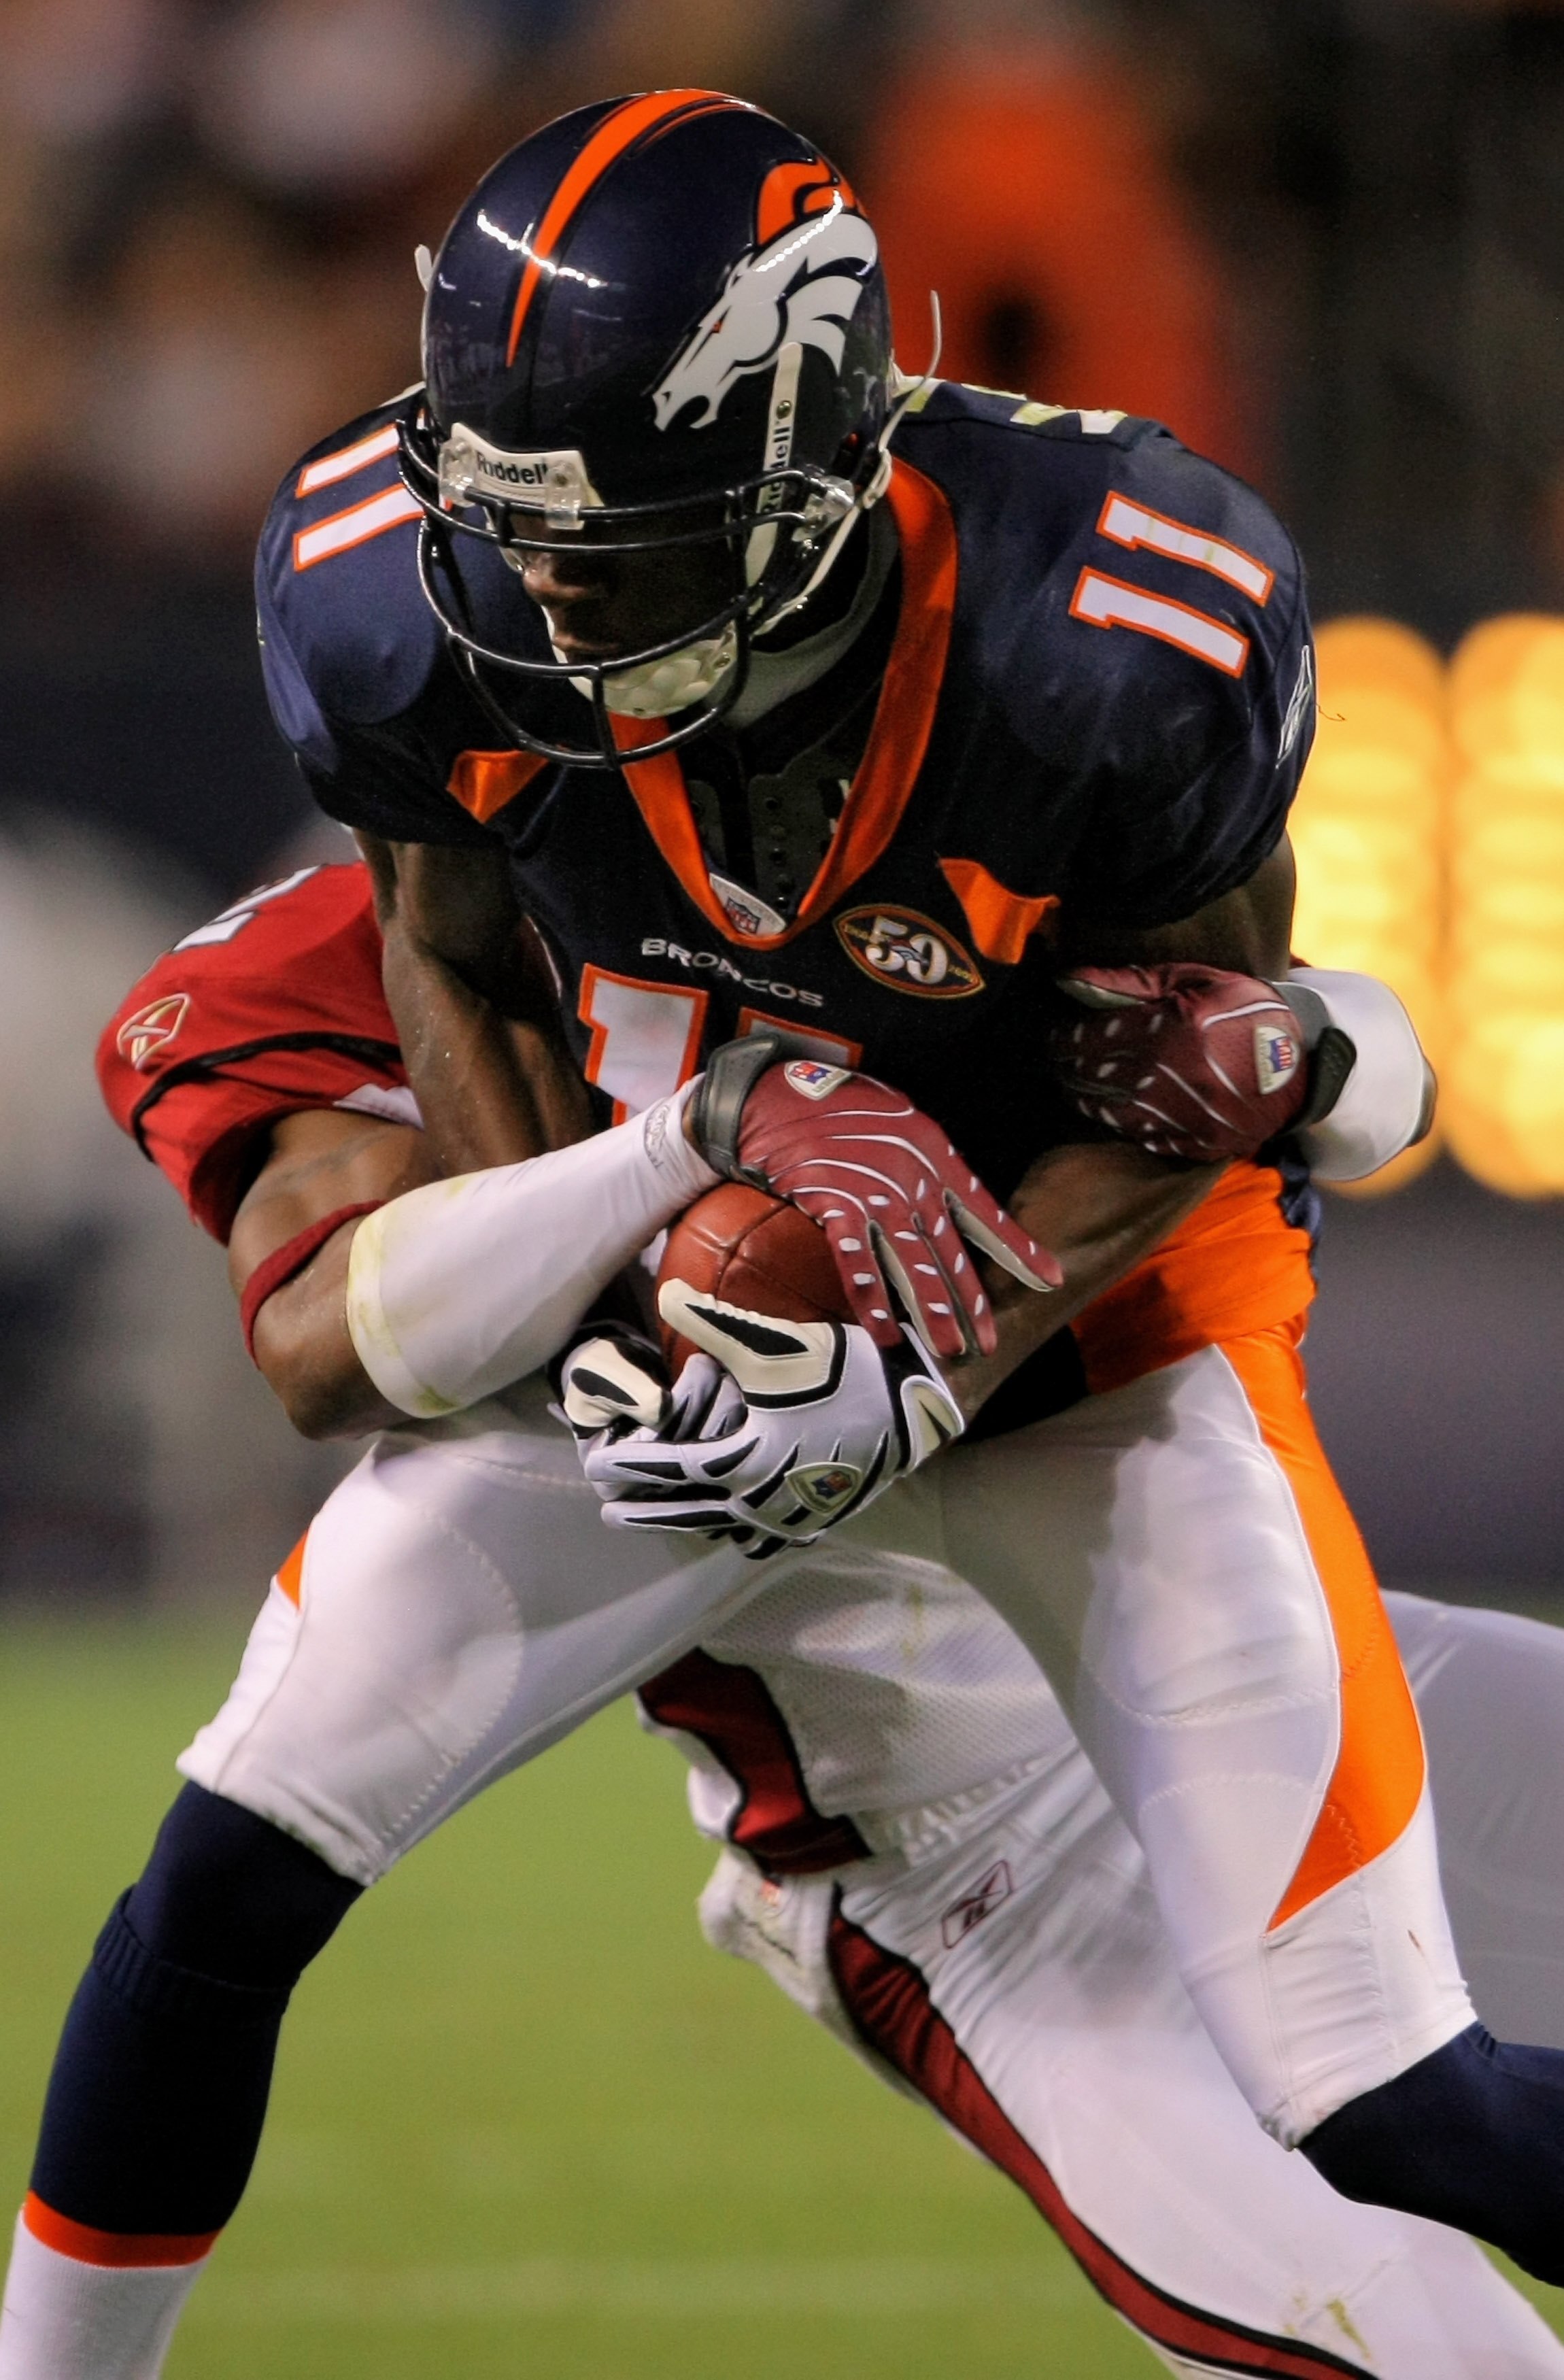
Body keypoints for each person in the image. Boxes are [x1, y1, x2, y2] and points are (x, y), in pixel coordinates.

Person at [248, 90, 1564, 2273]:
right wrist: (599, 1293)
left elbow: (1230, 1071)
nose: (552, 602)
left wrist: (942, 1352)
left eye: (626, 541)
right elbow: (444, 941)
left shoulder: (1112, 627)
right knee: (250, 1836)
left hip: (1113, 1345)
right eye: (516, 536)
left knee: (1371, 2088)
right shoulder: (399, 609)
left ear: (808, 459)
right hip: (724, 1268)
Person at [3, 857, 1561, 2379]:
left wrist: (1305, 1047)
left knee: (1404, 2092)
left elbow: (1323, 1072)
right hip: (976, 1856)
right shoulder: (403, 941)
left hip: (1195, 1645)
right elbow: (316, 1337)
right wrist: (679, 1148)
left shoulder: (940, 855)